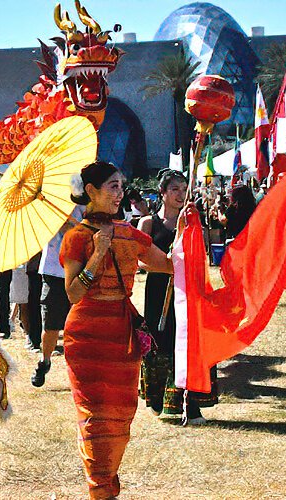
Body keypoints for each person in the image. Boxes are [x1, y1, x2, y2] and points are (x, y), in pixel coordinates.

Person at [57, 161, 173, 499]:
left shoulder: (130, 233)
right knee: (96, 417)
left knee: (121, 416)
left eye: (121, 185)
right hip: (87, 335)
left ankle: (107, 483)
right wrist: (99, 253)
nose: (120, 192)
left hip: (122, 334)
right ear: (91, 191)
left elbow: (166, 265)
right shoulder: (76, 237)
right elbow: (74, 293)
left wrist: (187, 230)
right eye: (112, 186)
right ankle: (101, 489)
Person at [137, 172, 213, 424]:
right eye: (175, 190)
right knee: (160, 342)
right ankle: (159, 398)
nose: (181, 194)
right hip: (159, 290)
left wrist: (189, 230)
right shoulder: (148, 223)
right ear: (163, 193)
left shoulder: (192, 222)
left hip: (186, 291)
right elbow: (142, 260)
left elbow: (201, 257)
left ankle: (190, 405)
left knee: (186, 341)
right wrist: (171, 264)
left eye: (183, 189)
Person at [32, 204, 81, 387]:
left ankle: (78, 368)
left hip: (79, 270)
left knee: (78, 324)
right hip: (53, 271)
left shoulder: (87, 203)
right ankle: (45, 360)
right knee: (51, 324)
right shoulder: (46, 204)